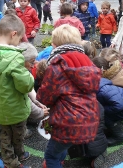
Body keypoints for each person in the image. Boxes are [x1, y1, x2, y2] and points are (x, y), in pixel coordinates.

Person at [37, 24, 101, 168]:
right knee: (63, 144)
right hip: (88, 119)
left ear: (54, 45)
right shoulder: (88, 63)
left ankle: (56, 162)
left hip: (66, 122)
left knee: (51, 155)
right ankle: (60, 160)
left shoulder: (57, 66)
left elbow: (44, 97)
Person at [0, 14, 34, 168]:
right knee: (18, 133)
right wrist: (29, 76)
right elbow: (25, 86)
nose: (19, 43)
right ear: (13, 34)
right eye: (19, 39)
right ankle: (16, 157)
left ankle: (12, 159)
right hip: (15, 107)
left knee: (5, 134)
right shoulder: (14, 58)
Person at [92, 56, 123, 146]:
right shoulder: (102, 84)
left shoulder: (104, 89)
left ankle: (119, 136)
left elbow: (118, 105)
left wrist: (104, 110)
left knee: (106, 116)